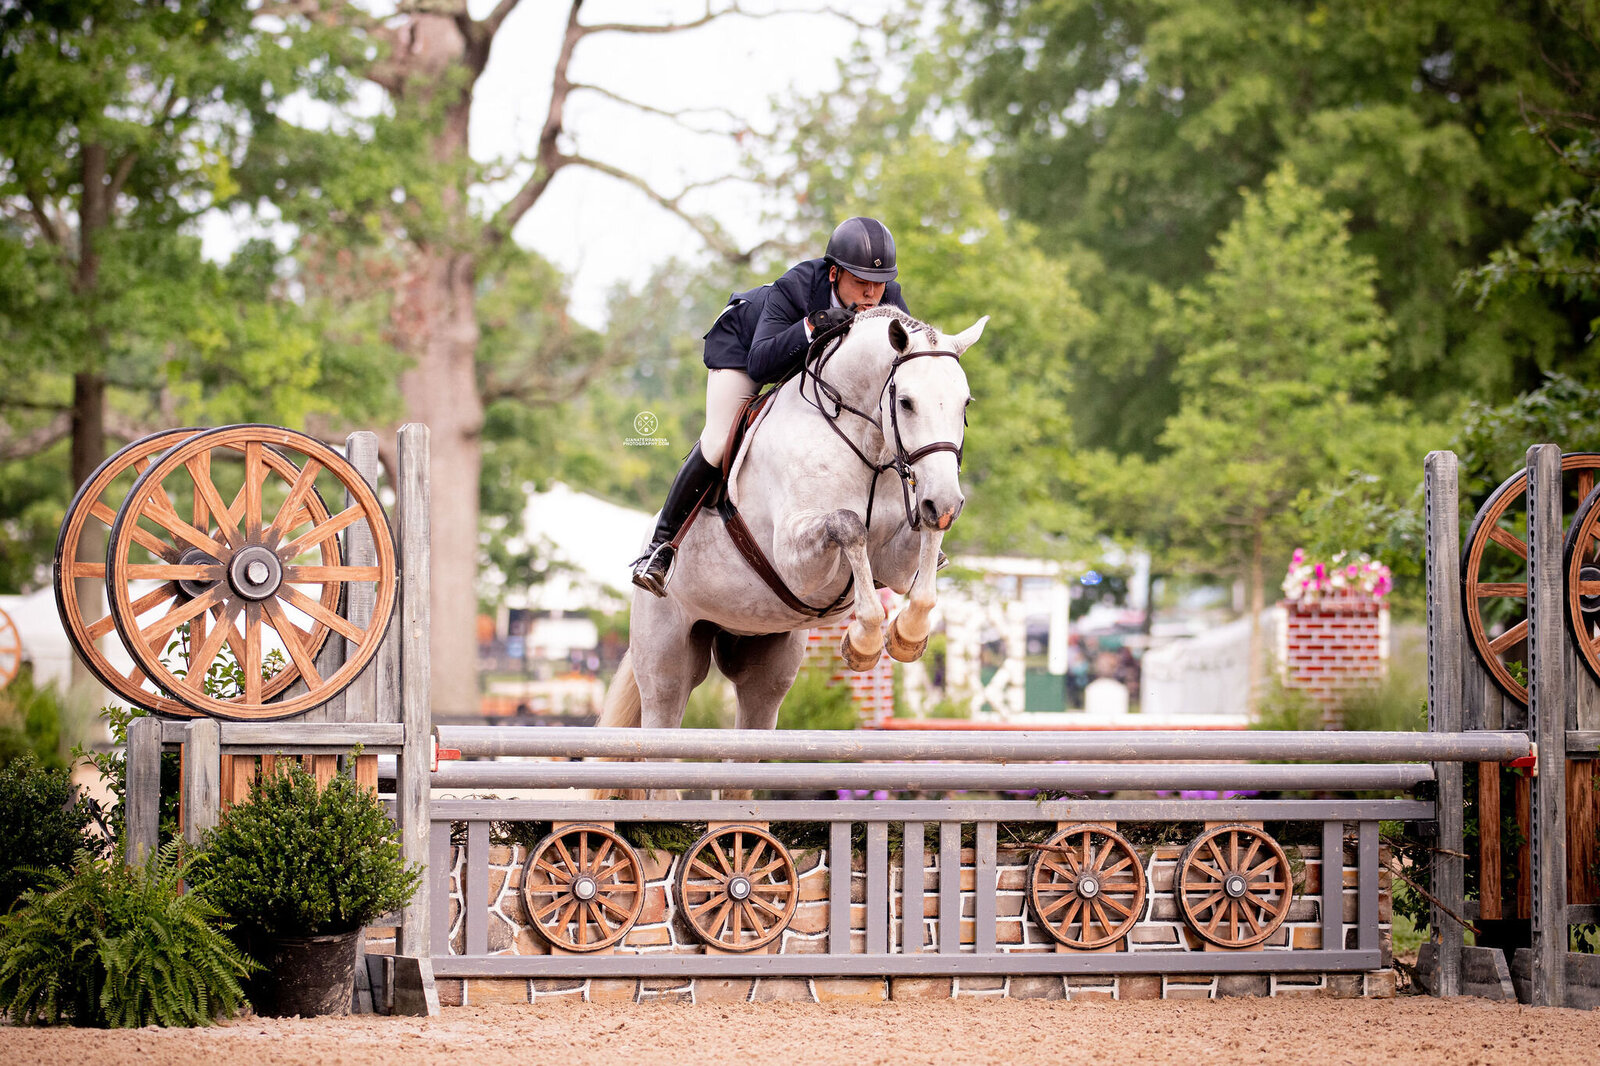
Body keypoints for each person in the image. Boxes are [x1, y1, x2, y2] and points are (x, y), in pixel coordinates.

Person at [631, 216, 909, 596]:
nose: (871, 295)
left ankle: (904, 530)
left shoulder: (887, 297)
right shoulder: (795, 287)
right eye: (860, 282)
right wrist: (814, 325)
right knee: (717, 440)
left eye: (879, 284)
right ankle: (660, 548)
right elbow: (763, 363)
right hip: (744, 347)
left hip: (810, 367)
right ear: (833, 274)